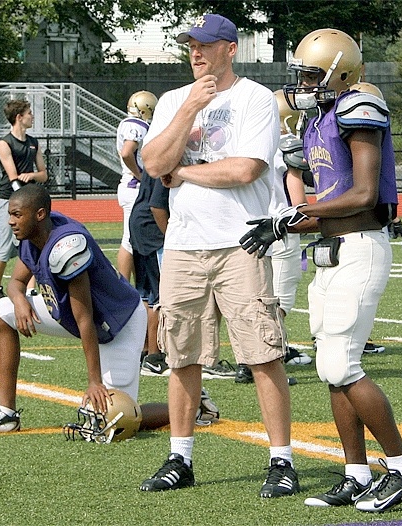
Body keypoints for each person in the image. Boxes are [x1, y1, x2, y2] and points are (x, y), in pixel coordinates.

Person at [241, 28, 402, 512]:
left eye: (312, 74)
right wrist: (284, 226)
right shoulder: (316, 120)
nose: (303, 83)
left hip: (361, 246)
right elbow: (329, 204)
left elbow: (361, 195)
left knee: (342, 364)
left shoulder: (359, 108)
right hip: (332, 250)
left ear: (340, 72)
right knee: (331, 369)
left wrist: (291, 218)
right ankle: (356, 472)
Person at [139, 14, 299, 497]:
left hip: (239, 241)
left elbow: (246, 168)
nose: (196, 52)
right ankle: (179, 458)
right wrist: (189, 108)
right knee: (181, 355)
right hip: (185, 245)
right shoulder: (172, 100)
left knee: (261, 353)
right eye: (191, 45)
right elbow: (152, 162)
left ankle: (282, 461)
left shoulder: (253, 98)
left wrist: (184, 173)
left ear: (231, 49)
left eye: (206, 45)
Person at [0, 185, 218, 434]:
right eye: (10, 215)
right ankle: (6, 413)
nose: (11, 222)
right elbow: (15, 283)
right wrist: (19, 301)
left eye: (17, 215)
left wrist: (94, 381)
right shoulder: (33, 234)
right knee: (0, 311)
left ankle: (193, 407)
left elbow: (86, 319)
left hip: (117, 323)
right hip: (67, 313)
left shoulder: (67, 246)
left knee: (116, 418)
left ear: (39, 214)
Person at [235, 90, 311, 385]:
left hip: (247, 225)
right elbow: (297, 199)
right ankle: (266, 360)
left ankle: (246, 360)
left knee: (251, 298)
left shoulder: (245, 141)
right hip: (278, 229)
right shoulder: (286, 144)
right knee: (279, 300)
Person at [0, 99, 48, 303]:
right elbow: (13, 177)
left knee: (31, 244)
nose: (32, 116)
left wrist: (31, 176)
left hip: (29, 202)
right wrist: (22, 197)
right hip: (9, 202)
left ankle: (31, 289)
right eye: (29, 113)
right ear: (19, 117)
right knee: (5, 248)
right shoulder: (4, 143)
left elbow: (43, 175)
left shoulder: (34, 142)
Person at [129, 168, 171, 376]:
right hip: (153, 229)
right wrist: (170, 236)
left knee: (145, 294)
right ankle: (154, 355)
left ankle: (144, 350)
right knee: (158, 296)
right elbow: (157, 205)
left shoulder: (155, 155)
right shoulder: (167, 161)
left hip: (140, 223)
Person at [116, 91, 158, 281]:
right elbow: (127, 153)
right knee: (129, 239)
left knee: (133, 239)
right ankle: (123, 284)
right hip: (133, 187)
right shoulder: (137, 125)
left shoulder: (127, 123)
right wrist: (140, 174)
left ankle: (133, 284)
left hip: (128, 186)